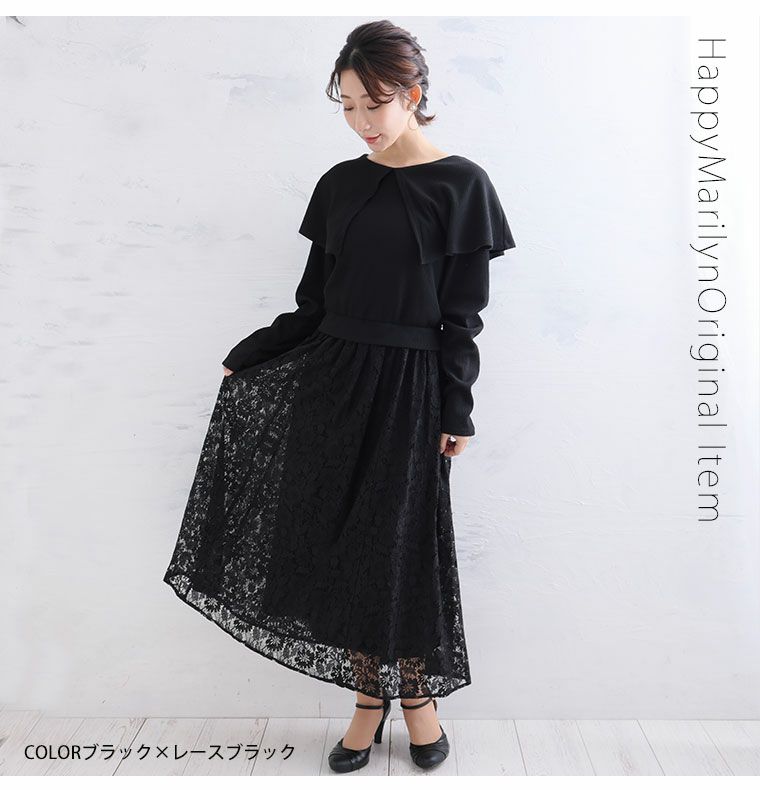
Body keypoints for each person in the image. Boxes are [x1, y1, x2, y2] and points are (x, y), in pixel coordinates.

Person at [163, 19, 516, 774]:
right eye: (348, 106)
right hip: (330, 382)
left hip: (409, 391)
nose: (360, 122)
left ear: (412, 95)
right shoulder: (340, 184)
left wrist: (457, 408)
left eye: (373, 105)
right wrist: (251, 356)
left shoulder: (464, 186)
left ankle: (415, 699)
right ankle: (366, 700)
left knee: (399, 550)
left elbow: (462, 318)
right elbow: (313, 304)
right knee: (338, 547)